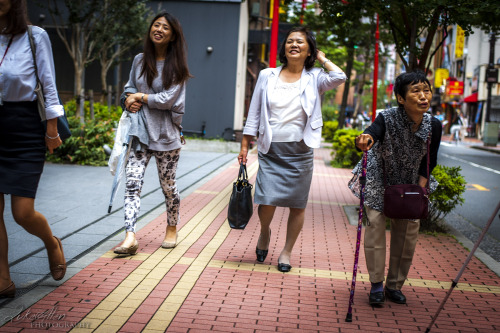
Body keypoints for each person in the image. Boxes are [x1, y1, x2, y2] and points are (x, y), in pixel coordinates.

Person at [239, 26, 346, 272]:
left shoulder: (315, 76)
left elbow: (340, 77)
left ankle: (286, 251)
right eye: (290, 41)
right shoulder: (267, 75)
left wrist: (322, 59)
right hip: (271, 149)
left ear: (309, 49)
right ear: (284, 48)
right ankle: (265, 232)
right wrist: (245, 144)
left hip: (300, 151)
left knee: (297, 205)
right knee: (266, 201)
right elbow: (254, 111)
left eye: (300, 42)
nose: (294, 45)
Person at [348, 71, 442, 306]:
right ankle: (377, 284)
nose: (423, 96)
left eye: (426, 90)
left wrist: (419, 191)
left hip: (411, 180)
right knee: (376, 227)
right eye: (415, 91)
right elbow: (371, 133)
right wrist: (364, 139)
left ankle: (395, 285)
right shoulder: (387, 117)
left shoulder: (434, 125)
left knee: (408, 233)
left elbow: (430, 159)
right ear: (401, 98)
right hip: (380, 178)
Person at [0, 0, 66, 298]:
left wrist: (51, 131)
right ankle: (3, 278)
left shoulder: (34, 36)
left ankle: (52, 243)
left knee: (22, 213)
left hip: (25, 127)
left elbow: (49, 85)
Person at [113, 12, 191, 255]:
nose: (158, 29)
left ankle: (171, 226)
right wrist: (128, 99)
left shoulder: (177, 66)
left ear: (172, 35)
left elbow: (168, 100)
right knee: (132, 183)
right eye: (156, 25)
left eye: (165, 27)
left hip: (167, 136)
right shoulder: (139, 60)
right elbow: (128, 89)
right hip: (140, 134)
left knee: (168, 186)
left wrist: (141, 97)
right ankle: (130, 236)